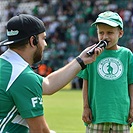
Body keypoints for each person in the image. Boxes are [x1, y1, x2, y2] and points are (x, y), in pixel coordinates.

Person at [0, 14, 103, 133]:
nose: (45, 44)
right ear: (33, 40)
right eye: (43, 38)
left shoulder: (8, 66)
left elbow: (47, 84)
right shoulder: (22, 77)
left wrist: (80, 60)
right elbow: (40, 131)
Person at [77, 11, 133, 133]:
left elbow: (131, 83)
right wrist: (86, 107)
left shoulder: (127, 54)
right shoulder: (90, 55)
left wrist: (132, 108)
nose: (105, 37)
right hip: (97, 116)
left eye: (110, 33)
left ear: (121, 33)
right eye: (101, 32)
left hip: (121, 116)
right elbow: (86, 82)